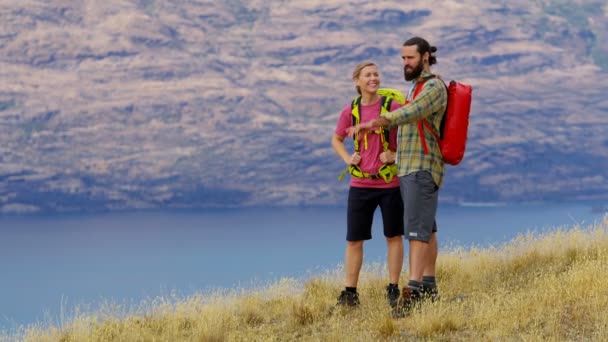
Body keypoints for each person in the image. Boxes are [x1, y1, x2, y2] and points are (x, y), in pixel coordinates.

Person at [348, 37, 448, 315]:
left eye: (410, 58)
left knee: (416, 231)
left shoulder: (432, 87)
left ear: (425, 57)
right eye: (403, 59)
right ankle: (429, 287)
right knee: (427, 227)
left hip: (422, 168)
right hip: (409, 167)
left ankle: (413, 291)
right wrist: (395, 157)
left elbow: (410, 114)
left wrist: (374, 121)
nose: (405, 63)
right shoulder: (415, 87)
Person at [332, 61, 405, 308]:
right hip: (360, 184)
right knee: (354, 239)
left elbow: (413, 135)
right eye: (367, 75)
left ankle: (393, 289)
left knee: (393, 236)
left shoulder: (392, 107)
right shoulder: (350, 111)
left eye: (376, 74)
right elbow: (336, 139)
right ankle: (350, 293)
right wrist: (347, 158)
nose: (373, 78)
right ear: (357, 81)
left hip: (390, 183)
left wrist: (395, 155)